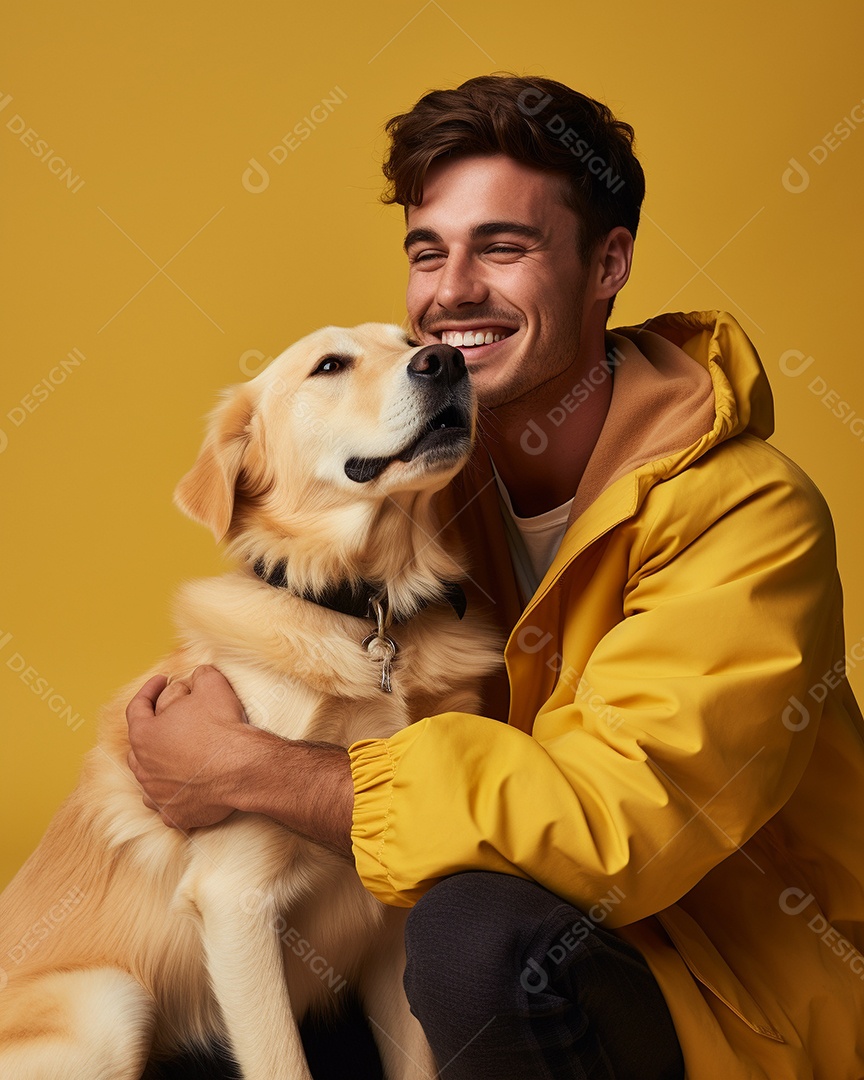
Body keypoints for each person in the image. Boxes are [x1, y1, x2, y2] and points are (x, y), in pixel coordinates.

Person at [127, 75, 864, 1078]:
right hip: (445, 966)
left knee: (479, 937)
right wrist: (184, 716)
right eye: (429, 253)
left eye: (502, 248)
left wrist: (248, 770)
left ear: (609, 264)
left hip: (721, 997)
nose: (452, 293)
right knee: (207, 1034)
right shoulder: (426, 495)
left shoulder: (750, 516)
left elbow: (617, 823)